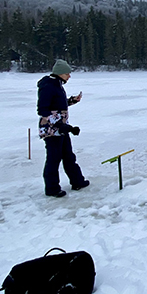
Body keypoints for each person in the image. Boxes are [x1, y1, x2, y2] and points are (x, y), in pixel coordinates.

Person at [37, 59, 89, 197]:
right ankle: (52, 189)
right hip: (51, 130)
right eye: (67, 73)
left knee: (68, 156)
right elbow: (43, 110)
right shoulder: (48, 86)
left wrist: (72, 101)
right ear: (60, 73)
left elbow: (58, 105)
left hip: (61, 129)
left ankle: (77, 181)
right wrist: (60, 125)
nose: (69, 76)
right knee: (54, 159)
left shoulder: (57, 84)